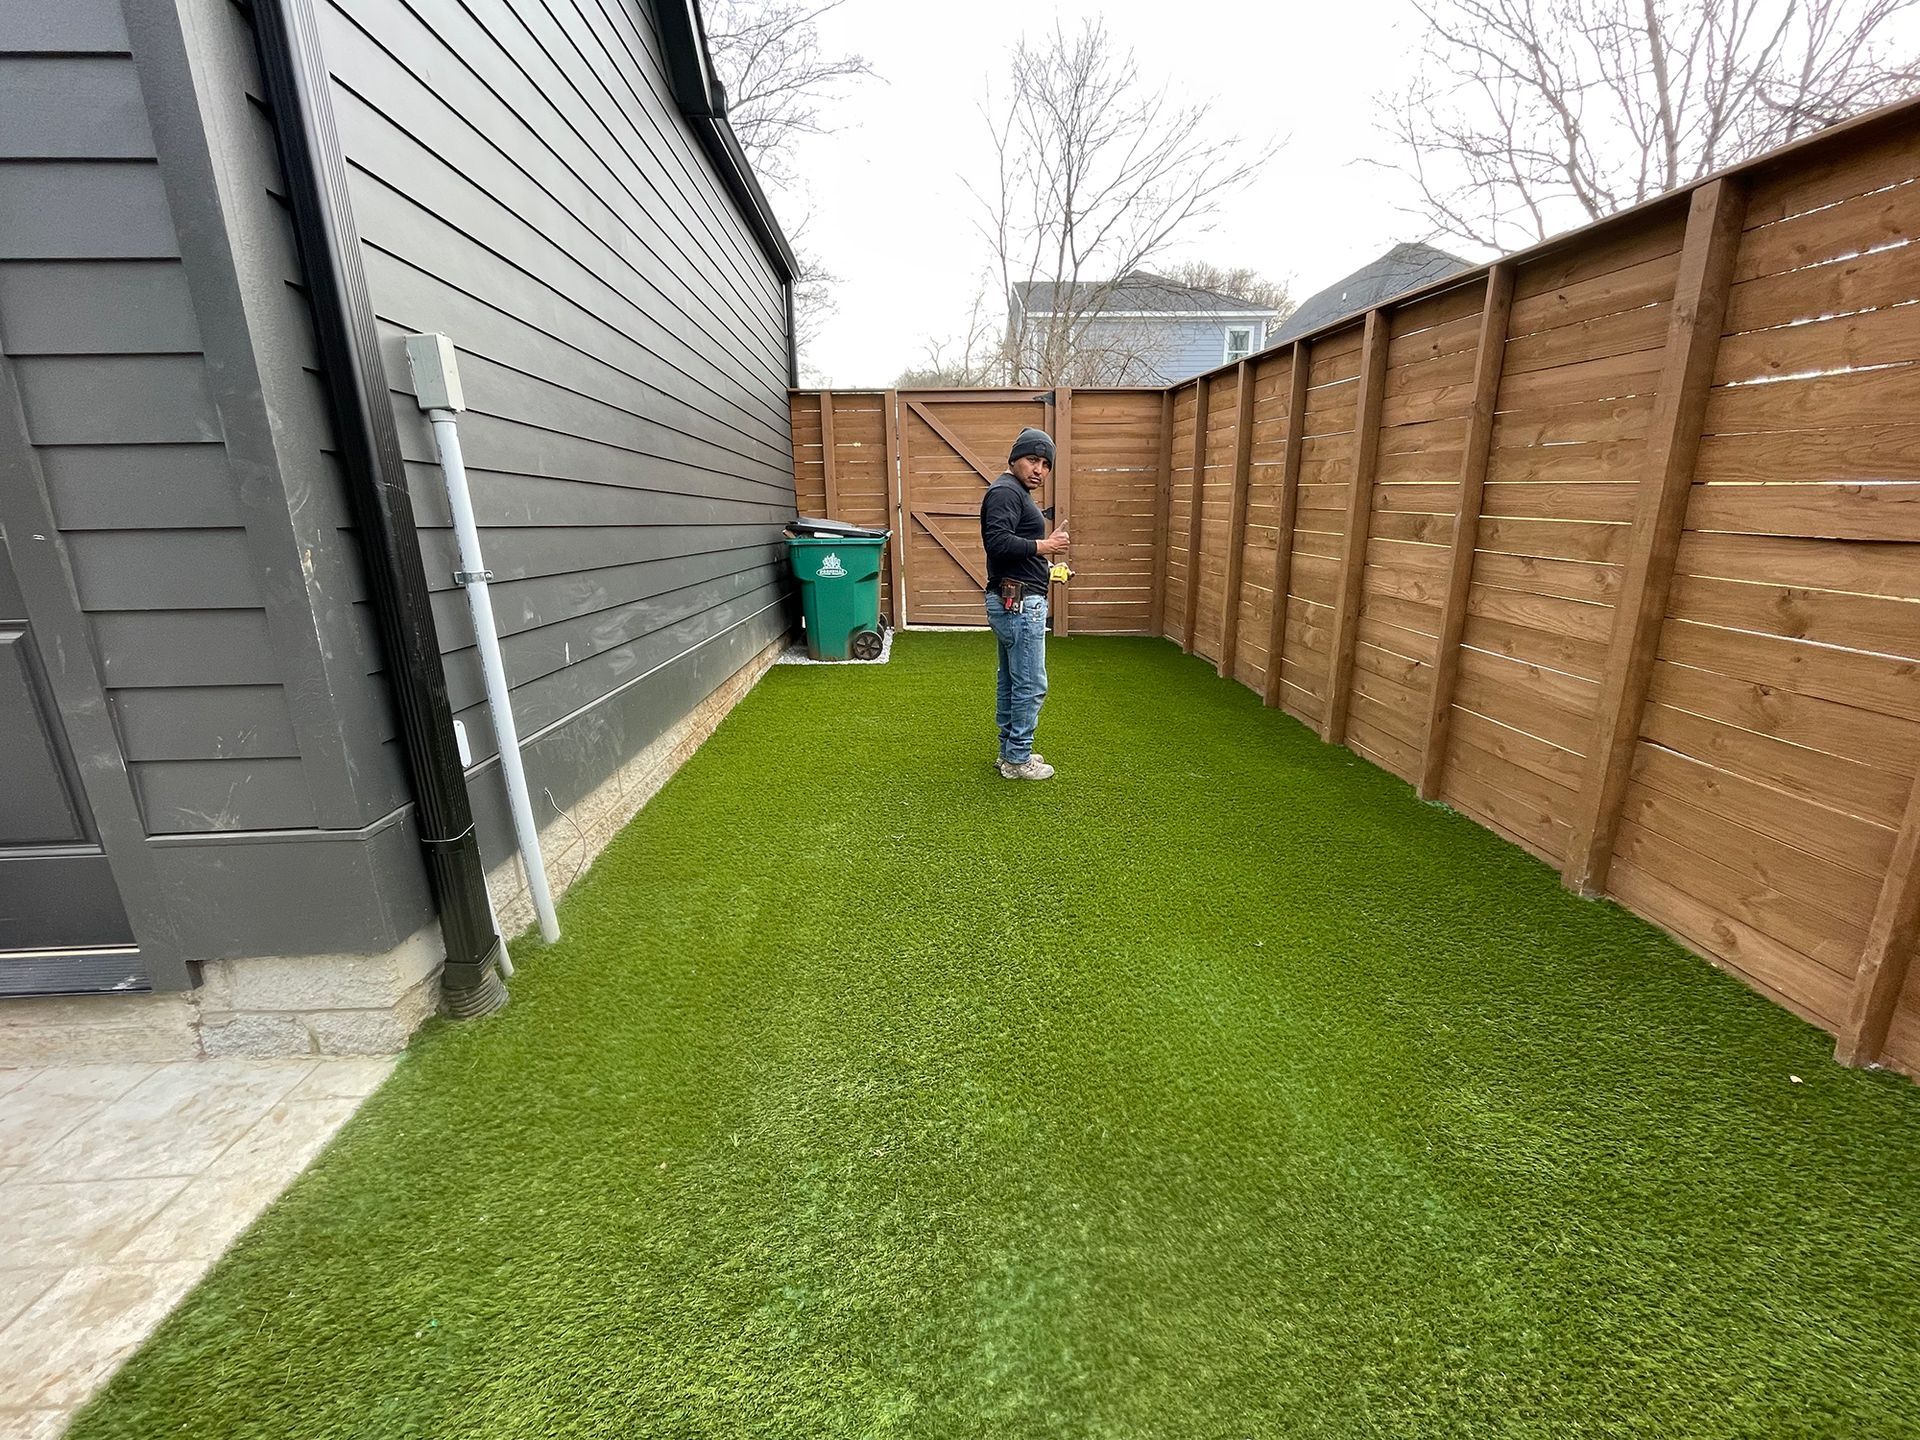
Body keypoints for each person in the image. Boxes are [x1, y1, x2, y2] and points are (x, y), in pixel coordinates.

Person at [980, 427, 1069, 780]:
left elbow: (1013, 550)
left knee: (1013, 681)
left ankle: (1009, 751)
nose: (1039, 470)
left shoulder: (1014, 492)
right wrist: (1045, 546)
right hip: (1018, 604)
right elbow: (998, 543)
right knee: (1030, 683)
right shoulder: (1005, 492)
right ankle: (1018, 759)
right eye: (1033, 459)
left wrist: (1047, 567)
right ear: (1014, 458)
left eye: (1046, 464)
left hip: (1015, 597)